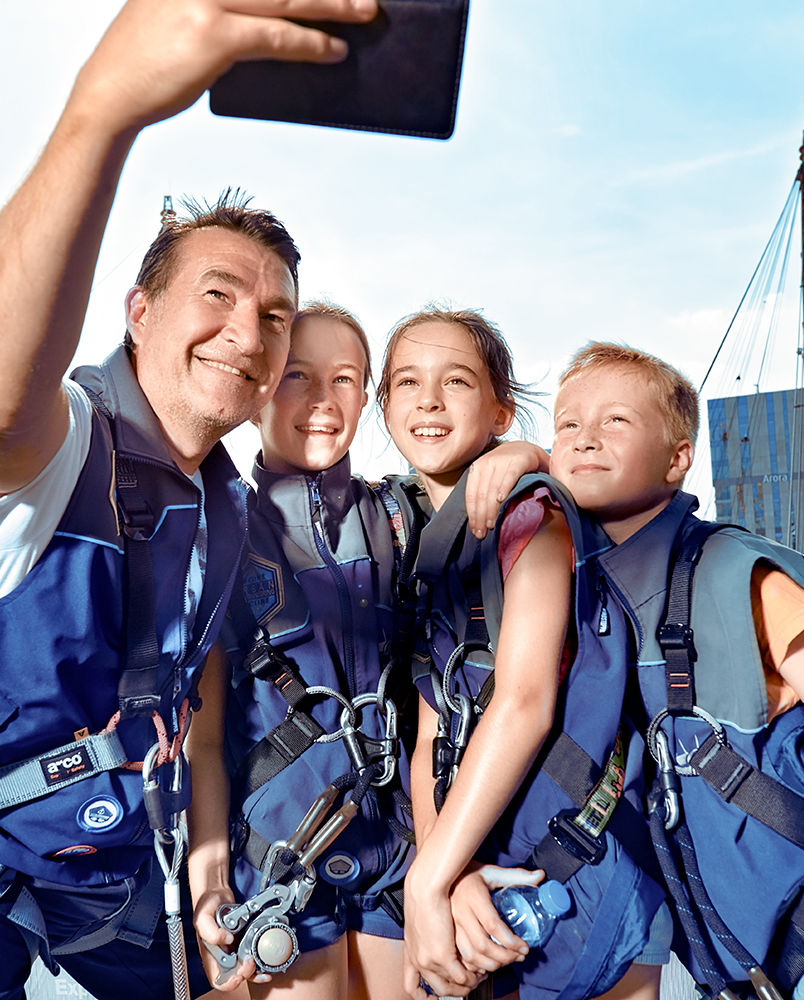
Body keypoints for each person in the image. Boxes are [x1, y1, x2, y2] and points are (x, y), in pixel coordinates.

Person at [0, 2, 379, 998]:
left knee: (287, 982)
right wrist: (104, 112)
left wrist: (209, 867)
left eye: (273, 316)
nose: (247, 334)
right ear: (140, 313)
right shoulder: (69, 444)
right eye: (215, 296)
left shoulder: (220, 500)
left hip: (119, 866)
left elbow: (201, 712)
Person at [546, 342, 804, 1000]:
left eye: (616, 422)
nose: (585, 438)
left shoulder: (744, 576)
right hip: (728, 966)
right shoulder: (578, 599)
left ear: (678, 458)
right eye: (567, 424)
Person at [187, 303, 549, 999]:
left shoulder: (403, 515)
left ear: (367, 398)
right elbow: (203, 744)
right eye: (298, 376)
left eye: (345, 379)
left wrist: (522, 455)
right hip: (277, 863)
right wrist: (209, 885)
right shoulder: (218, 537)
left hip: (401, 854)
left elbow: (567, 486)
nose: (323, 401)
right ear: (261, 386)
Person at [383, 309, 671, 1000]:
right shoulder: (420, 535)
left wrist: (427, 883)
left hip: (585, 860)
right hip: (493, 861)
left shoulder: (530, 518)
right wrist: (442, 870)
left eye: (455, 380)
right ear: (384, 407)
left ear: (501, 411)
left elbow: (524, 703)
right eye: (405, 383)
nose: (428, 400)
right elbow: (430, 735)